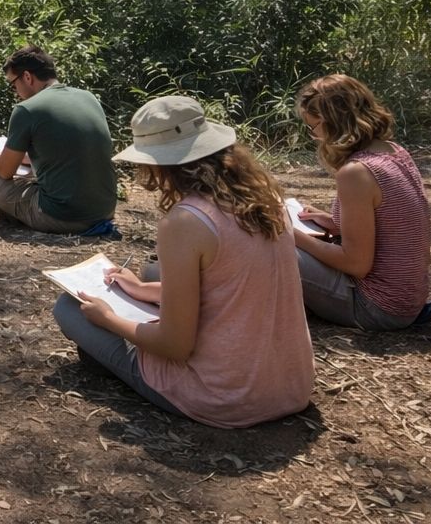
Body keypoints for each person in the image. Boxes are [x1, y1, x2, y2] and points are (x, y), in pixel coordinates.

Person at [53, 96, 314, 428]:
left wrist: (108, 320)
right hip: (291, 387)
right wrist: (144, 289)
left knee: (68, 307)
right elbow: (232, 286)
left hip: (225, 397)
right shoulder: (266, 200)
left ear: (157, 163)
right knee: (143, 281)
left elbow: (175, 345)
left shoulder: (186, 221)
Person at [292, 74, 431, 330]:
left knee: (276, 247)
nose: (314, 136)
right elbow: (390, 224)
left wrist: (293, 236)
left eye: (312, 127)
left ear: (331, 124)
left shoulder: (356, 172)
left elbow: (356, 265)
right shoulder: (393, 151)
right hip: (407, 300)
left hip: (378, 307)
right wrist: (334, 223)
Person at [0, 45, 118, 235]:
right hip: (105, 211)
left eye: (13, 85)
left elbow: (4, 172)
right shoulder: (89, 97)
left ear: (27, 77)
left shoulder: (26, 109)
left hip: (61, 217)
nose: (14, 91)